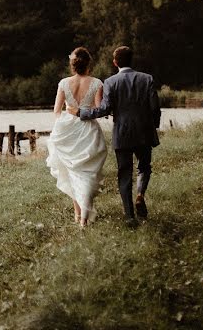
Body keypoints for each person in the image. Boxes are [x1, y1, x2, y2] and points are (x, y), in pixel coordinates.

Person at [72, 45, 161, 227]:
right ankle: (140, 195)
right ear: (132, 60)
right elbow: (155, 109)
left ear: (115, 63)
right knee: (144, 167)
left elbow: (104, 109)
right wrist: (153, 126)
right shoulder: (147, 79)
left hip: (122, 134)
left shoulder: (111, 82)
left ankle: (129, 215)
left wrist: (80, 113)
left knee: (124, 173)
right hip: (144, 132)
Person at [46, 46, 108, 228]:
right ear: (89, 62)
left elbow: (57, 112)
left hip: (67, 131)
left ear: (72, 65)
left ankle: (79, 214)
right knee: (86, 173)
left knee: (72, 172)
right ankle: (82, 216)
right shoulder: (97, 83)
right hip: (88, 130)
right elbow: (99, 111)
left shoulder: (64, 83)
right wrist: (82, 116)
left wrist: (66, 123)